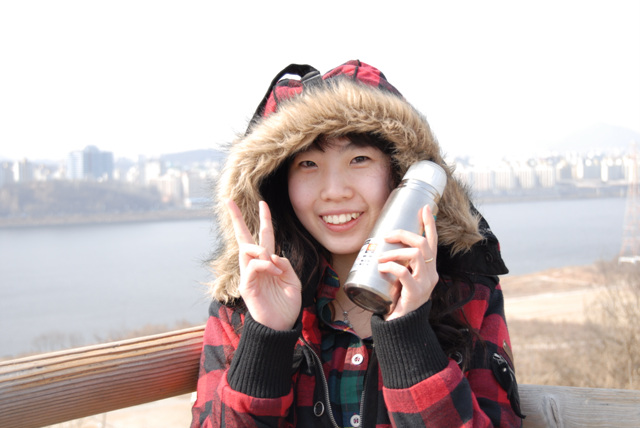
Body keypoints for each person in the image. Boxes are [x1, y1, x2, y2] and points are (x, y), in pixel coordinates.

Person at [190, 60, 524, 427]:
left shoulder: (464, 293)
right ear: (277, 182)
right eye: (308, 164)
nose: (334, 191)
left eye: (359, 159)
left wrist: (409, 334)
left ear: (400, 171)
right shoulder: (246, 303)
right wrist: (266, 339)